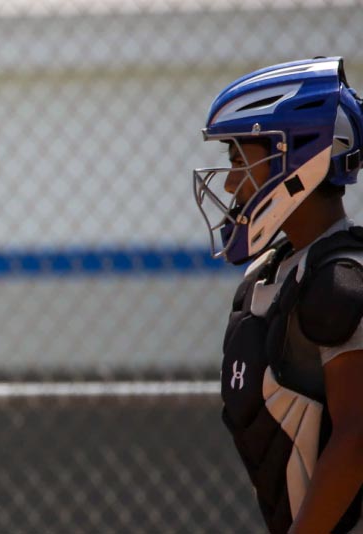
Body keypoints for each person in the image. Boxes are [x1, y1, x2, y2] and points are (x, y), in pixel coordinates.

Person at [196, 57, 363, 533]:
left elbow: (356, 437)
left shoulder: (341, 279)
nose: (229, 183)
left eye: (237, 160)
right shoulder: (278, 270)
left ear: (295, 157)